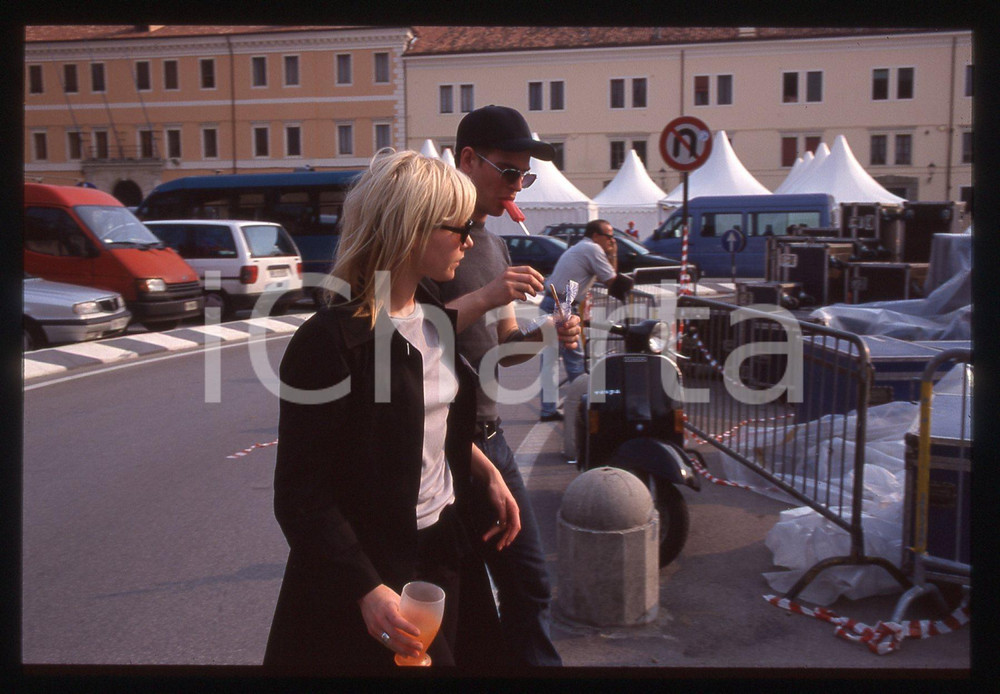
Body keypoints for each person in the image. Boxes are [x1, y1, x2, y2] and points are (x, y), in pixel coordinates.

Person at [263, 149, 521, 675]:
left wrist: (487, 472)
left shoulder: (433, 320)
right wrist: (364, 588)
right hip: (369, 573)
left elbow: (430, 424)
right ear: (411, 229)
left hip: (445, 552)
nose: (470, 239)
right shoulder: (331, 342)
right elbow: (301, 496)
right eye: (459, 226)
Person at [429, 105, 580, 668]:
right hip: (441, 445)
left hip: (488, 437)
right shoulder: (430, 238)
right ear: (467, 159)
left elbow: (498, 356)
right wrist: (488, 297)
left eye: (525, 176)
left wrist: (548, 334)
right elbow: (405, 338)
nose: (518, 186)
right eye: (509, 171)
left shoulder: (492, 243)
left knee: (528, 585)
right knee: (459, 602)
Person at [539, 219, 634, 421]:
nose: (612, 241)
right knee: (575, 361)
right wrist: (614, 254)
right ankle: (588, 406)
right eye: (609, 237)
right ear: (596, 236)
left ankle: (551, 409)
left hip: (554, 302)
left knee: (551, 362)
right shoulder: (592, 249)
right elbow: (612, 280)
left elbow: (608, 277)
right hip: (561, 305)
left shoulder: (583, 248)